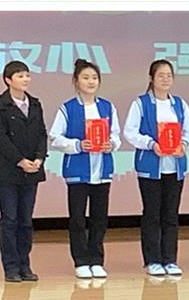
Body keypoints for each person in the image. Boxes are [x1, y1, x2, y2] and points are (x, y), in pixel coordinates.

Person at [48, 59, 121, 278]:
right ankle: (80, 260)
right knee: (78, 218)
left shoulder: (107, 107)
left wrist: (112, 144)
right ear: (76, 81)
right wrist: (78, 145)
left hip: (102, 170)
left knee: (100, 217)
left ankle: (96, 260)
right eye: (86, 77)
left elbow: (116, 135)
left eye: (94, 78)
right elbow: (55, 137)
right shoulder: (68, 108)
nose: (91, 82)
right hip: (78, 171)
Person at [123, 59, 189, 276]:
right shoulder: (141, 103)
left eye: (169, 75)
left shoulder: (179, 104)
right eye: (161, 75)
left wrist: (184, 144)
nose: (165, 79)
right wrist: (151, 144)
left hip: (175, 167)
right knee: (152, 214)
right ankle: (152, 260)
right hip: (150, 167)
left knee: (171, 214)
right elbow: (130, 132)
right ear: (151, 78)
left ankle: (170, 259)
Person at [0, 61, 47, 282]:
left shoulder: (35, 104)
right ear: (8, 80)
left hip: (32, 170)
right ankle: (11, 267)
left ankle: (25, 265)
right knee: (10, 219)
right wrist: (20, 160)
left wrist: (39, 158)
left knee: (26, 220)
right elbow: (0, 137)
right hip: (8, 171)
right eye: (20, 76)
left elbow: (42, 134)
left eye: (27, 75)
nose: (25, 79)